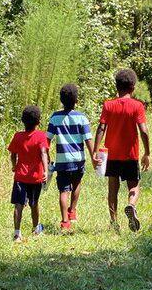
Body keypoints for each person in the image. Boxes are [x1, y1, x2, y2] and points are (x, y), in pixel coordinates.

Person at [93, 68, 150, 233]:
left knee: (113, 188)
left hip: (112, 155)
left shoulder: (108, 105)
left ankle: (114, 222)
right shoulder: (137, 106)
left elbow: (101, 128)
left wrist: (96, 151)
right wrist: (147, 153)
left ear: (116, 87)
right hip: (131, 155)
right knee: (134, 186)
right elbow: (144, 131)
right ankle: (131, 205)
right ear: (133, 87)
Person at [46, 84, 96, 232]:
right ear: (76, 100)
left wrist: (47, 156)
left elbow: (47, 140)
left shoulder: (55, 117)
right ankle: (72, 210)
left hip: (62, 160)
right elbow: (88, 139)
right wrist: (93, 156)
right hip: (78, 159)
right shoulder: (81, 117)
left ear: (61, 100)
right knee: (77, 183)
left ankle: (64, 222)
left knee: (63, 191)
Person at [7, 105, 49, 242]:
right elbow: (43, 153)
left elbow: (13, 154)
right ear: (38, 121)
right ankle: (36, 228)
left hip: (20, 176)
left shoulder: (18, 136)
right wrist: (46, 170)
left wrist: (14, 166)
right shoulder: (41, 136)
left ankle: (17, 233)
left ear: (23, 121)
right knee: (34, 203)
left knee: (18, 205)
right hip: (35, 177)